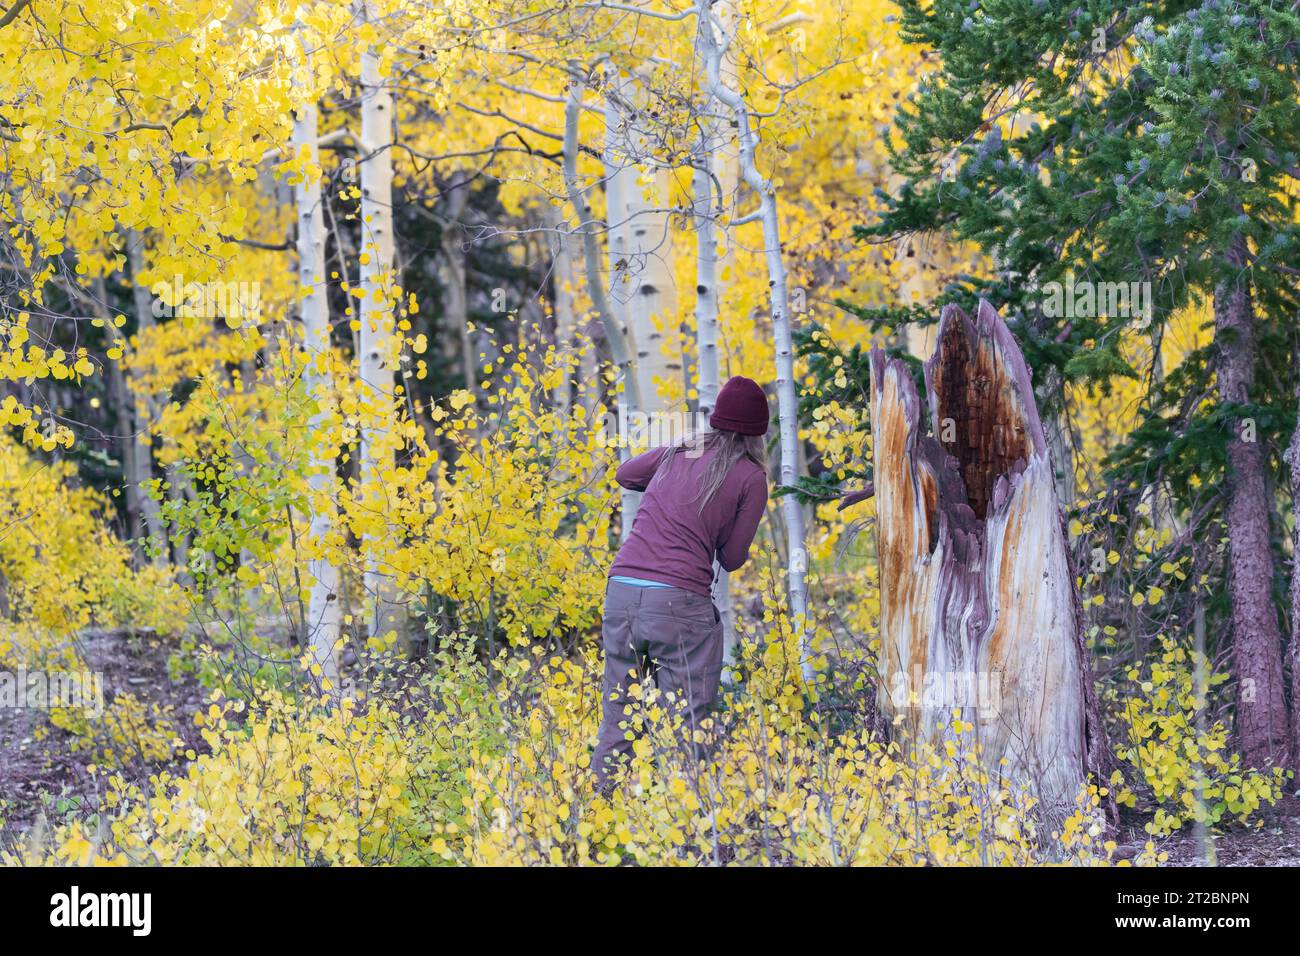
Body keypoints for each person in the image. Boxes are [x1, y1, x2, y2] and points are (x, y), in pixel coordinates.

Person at [592, 376, 770, 789]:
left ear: (715, 420)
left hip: (620, 592)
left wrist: (678, 448)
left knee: (619, 718)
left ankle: (595, 825)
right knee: (689, 725)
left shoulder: (682, 451)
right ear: (759, 432)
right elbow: (732, 557)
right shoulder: (750, 477)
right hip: (679, 606)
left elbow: (625, 473)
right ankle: (689, 831)